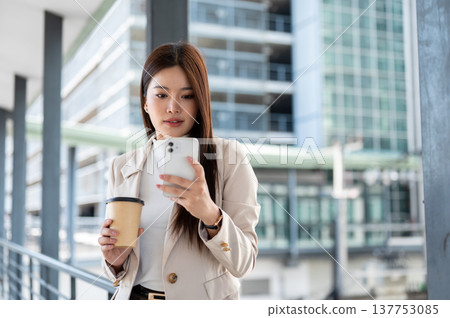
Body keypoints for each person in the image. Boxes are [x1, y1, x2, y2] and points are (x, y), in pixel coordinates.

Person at [98, 42, 260, 300]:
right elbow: (117, 271)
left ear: (200, 101)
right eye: (161, 95)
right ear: (145, 103)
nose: (173, 107)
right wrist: (114, 261)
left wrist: (209, 214)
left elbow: (244, 263)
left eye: (187, 95)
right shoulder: (122, 167)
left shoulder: (230, 158)